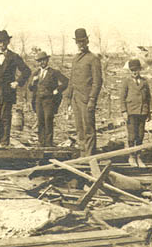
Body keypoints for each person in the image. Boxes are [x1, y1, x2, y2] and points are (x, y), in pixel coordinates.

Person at [0, 30, 31, 147]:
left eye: (3, 42)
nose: (1, 44)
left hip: (7, 90)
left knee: (5, 116)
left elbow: (26, 71)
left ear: (8, 42)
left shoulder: (14, 57)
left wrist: (17, 82)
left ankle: (4, 142)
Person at [67, 28, 103, 156]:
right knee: (79, 128)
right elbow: (71, 80)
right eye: (78, 42)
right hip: (76, 99)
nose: (80, 44)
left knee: (88, 128)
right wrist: (68, 99)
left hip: (87, 100)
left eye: (82, 41)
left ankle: (89, 156)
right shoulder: (75, 59)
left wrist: (92, 99)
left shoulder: (93, 59)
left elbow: (97, 82)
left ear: (87, 41)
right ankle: (83, 156)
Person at [28, 51, 68, 147]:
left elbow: (66, 81)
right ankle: (41, 142)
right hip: (38, 100)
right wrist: (33, 82)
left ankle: (48, 143)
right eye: (39, 61)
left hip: (49, 100)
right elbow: (30, 88)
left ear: (47, 60)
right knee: (40, 120)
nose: (41, 63)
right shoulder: (36, 73)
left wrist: (57, 90)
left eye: (43, 60)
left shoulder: (54, 72)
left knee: (48, 120)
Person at [120, 59, 152, 167]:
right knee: (132, 136)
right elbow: (122, 98)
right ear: (130, 71)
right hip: (131, 112)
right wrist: (124, 111)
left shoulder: (144, 81)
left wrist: (149, 112)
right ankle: (131, 156)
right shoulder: (126, 82)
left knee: (140, 135)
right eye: (132, 70)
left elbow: (149, 97)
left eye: (136, 70)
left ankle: (138, 156)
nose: (134, 72)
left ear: (140, 70)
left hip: (142, 112)